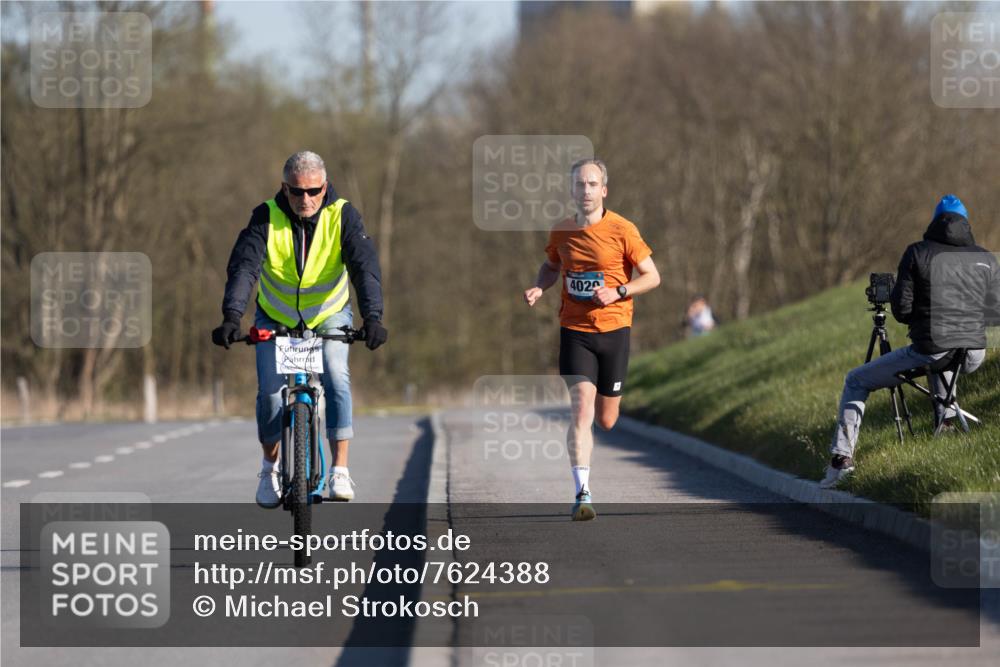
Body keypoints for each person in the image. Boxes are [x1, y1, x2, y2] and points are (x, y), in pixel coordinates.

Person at [211, 151, 388, 506]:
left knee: (337, 374)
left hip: (329, 314)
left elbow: (363, 268)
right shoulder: (266, 216)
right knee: (271, 394)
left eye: (312, 191)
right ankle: (269, 468)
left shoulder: (343, 215)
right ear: (284, 188)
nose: (304, 199)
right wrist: (232, 316)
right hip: (275, 316)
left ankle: (340, 470)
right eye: (295, 192)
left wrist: (373, 318)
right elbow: (245, 268)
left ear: (325, 187)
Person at [821, 195, 998, 489]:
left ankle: (841, 462)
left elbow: (901, 312)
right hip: (973, 352)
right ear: (965, 222)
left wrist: (925, 315)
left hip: (933, 350)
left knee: (856, 380)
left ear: (935, 220)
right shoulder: (985, 257)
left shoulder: (917, 253)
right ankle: (946, 424)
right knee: (947, 355)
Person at [524, 158, 661, 520]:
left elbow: (652, 276)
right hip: (575, 331)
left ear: (604, 190)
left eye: (592, 184)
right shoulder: (561, 231)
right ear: (571, 190)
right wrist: (540, 285)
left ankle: (606, 414)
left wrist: (618, 291)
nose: (585, 190)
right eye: (579, 184)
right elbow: (553, 266)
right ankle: (582, 492)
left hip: (615, 330)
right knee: (581, 409)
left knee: (607, 420)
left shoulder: (622, 230)